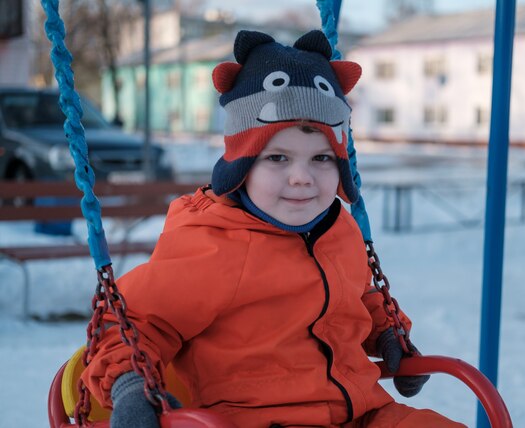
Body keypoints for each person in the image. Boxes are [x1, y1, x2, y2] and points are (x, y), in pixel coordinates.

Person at [82, 29, 466, 428]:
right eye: (278, 158)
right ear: (242, 165)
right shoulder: (213, 245)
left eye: (321, 158)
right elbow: (135, 321)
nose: (302, 177)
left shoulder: (339, 230)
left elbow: (357, 295)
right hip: (257, 420)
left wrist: (388, 334)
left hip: (365, 412)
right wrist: (129, 386)